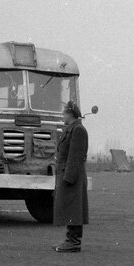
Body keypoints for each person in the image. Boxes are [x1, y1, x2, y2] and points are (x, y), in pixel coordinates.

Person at [52, 100, 89, 253]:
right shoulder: (73, 128)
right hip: (67, 174)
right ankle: (70, 240)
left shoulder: (78, 130)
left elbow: (75, 156)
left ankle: (73, 242)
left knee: (74, 209)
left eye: (64, 113)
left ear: (70, 114)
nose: (62, 116)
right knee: (71, 209)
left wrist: (68, 178)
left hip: (71, 176)